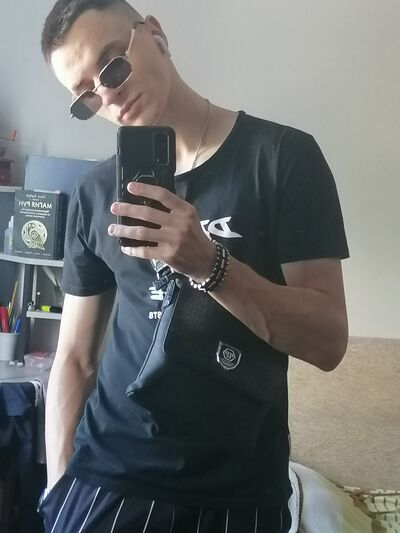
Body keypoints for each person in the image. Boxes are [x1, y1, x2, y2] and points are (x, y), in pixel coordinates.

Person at [39, 1, 349, 531]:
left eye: (112, 66)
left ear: (155, 34)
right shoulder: (95, 193)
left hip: (238, 491)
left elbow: (328, 342)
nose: (107, 95)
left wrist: (210, 265)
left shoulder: (283, 158)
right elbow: (74, 357)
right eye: (85, 95)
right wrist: (57, 488)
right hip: (106, 477)